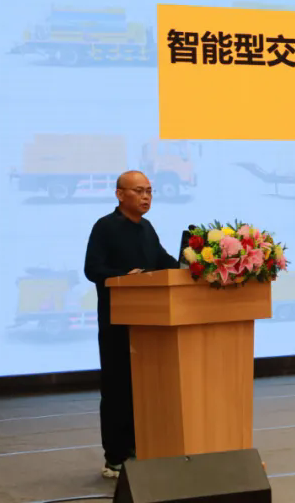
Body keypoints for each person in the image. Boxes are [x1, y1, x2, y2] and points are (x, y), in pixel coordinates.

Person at [84, 170, 180, 478]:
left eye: (149, 191)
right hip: (117, 323)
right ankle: (115, 457)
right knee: (118, 390)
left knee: (144, 389)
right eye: (139, 191)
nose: (146, 197)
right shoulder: (105, 227)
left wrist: (192, 268)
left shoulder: (147, 228)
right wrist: (125, 277)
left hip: (148, 325)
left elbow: (163, 262)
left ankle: (141, 447)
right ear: (119, 194)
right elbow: (93, 269)